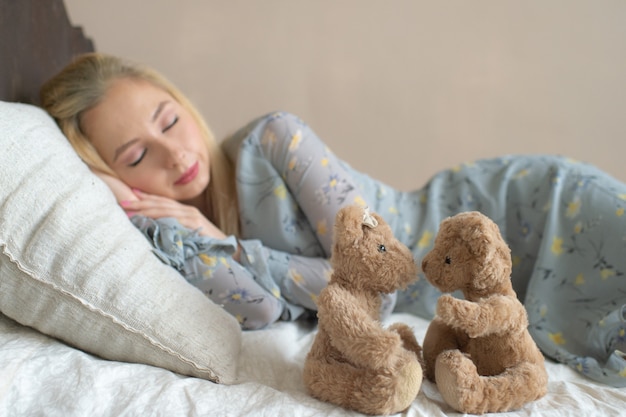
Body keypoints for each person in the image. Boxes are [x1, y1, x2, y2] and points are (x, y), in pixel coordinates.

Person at [41, 52, 626, 387]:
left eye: (168, 121)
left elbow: (381, 282)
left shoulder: (274, 139)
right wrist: (174, 228)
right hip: (469, 279)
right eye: (135, 157)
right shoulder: (186, 243)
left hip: (526, 211)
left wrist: (239, 248)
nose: (174, 155)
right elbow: (261, 310)